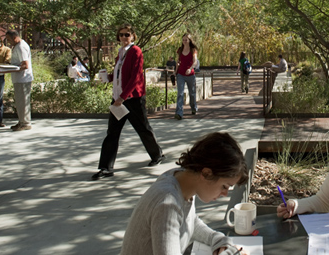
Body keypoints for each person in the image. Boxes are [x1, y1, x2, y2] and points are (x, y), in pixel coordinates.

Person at [120, 132, 250, 255]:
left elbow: (190, 222)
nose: (225, 194)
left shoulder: (181, 179)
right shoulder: (167, 204)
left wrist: (219, 240)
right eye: (224, 186)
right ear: (206, 173)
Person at [91, 24, 165, 180]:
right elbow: (120, 75)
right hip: (119, 98)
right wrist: (108, 78)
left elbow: (136, 77)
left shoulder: (136, 51)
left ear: (133, 36)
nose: (124, 37)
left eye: (127, 34)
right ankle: (106, 167)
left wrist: (123, 97)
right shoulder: (120, 53)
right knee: (112, 132)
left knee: (143, 128)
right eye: (121, 35)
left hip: (132, 99)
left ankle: (157, 154)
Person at [1, 30, 33, 131]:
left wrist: (10, 69)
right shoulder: (17, 46)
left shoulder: (21, 47)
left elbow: (25, 64)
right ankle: (21, 121)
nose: (9, 42)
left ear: (15, 37)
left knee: (23, 101)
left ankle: (25, 123)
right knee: (19, 101)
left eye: (9, 39)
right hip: (18, 79)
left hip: (23, 78)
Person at [174, 33, 199, 120]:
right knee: (180, 93)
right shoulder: (180, 50)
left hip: (190, 75)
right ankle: (179, 113)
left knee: (192, 93)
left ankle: (194, 107)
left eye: (186, 40)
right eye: (183, 40)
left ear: (189, 40)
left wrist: (191, 68)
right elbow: (178, 61)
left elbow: (195, 61)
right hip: (180, 74)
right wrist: (175, 71)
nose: (184, 41)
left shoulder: (193, 50)